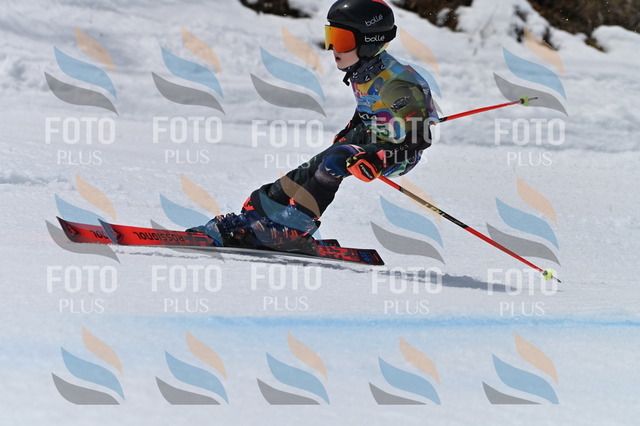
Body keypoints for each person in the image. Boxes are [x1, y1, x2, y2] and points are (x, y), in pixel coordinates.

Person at [190, 0, 438, 251]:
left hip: (399, 150)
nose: (333, 48)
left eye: (342, 40)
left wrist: (380, 158)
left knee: (335, 161)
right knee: (311, 167)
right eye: (332, 36)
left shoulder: (396, 84)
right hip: (372, 134)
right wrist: (350, 129)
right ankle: (253, 218)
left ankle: (292, 228)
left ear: (369, 42)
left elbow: (422, 137)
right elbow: (369, 105)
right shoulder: (364, 70)